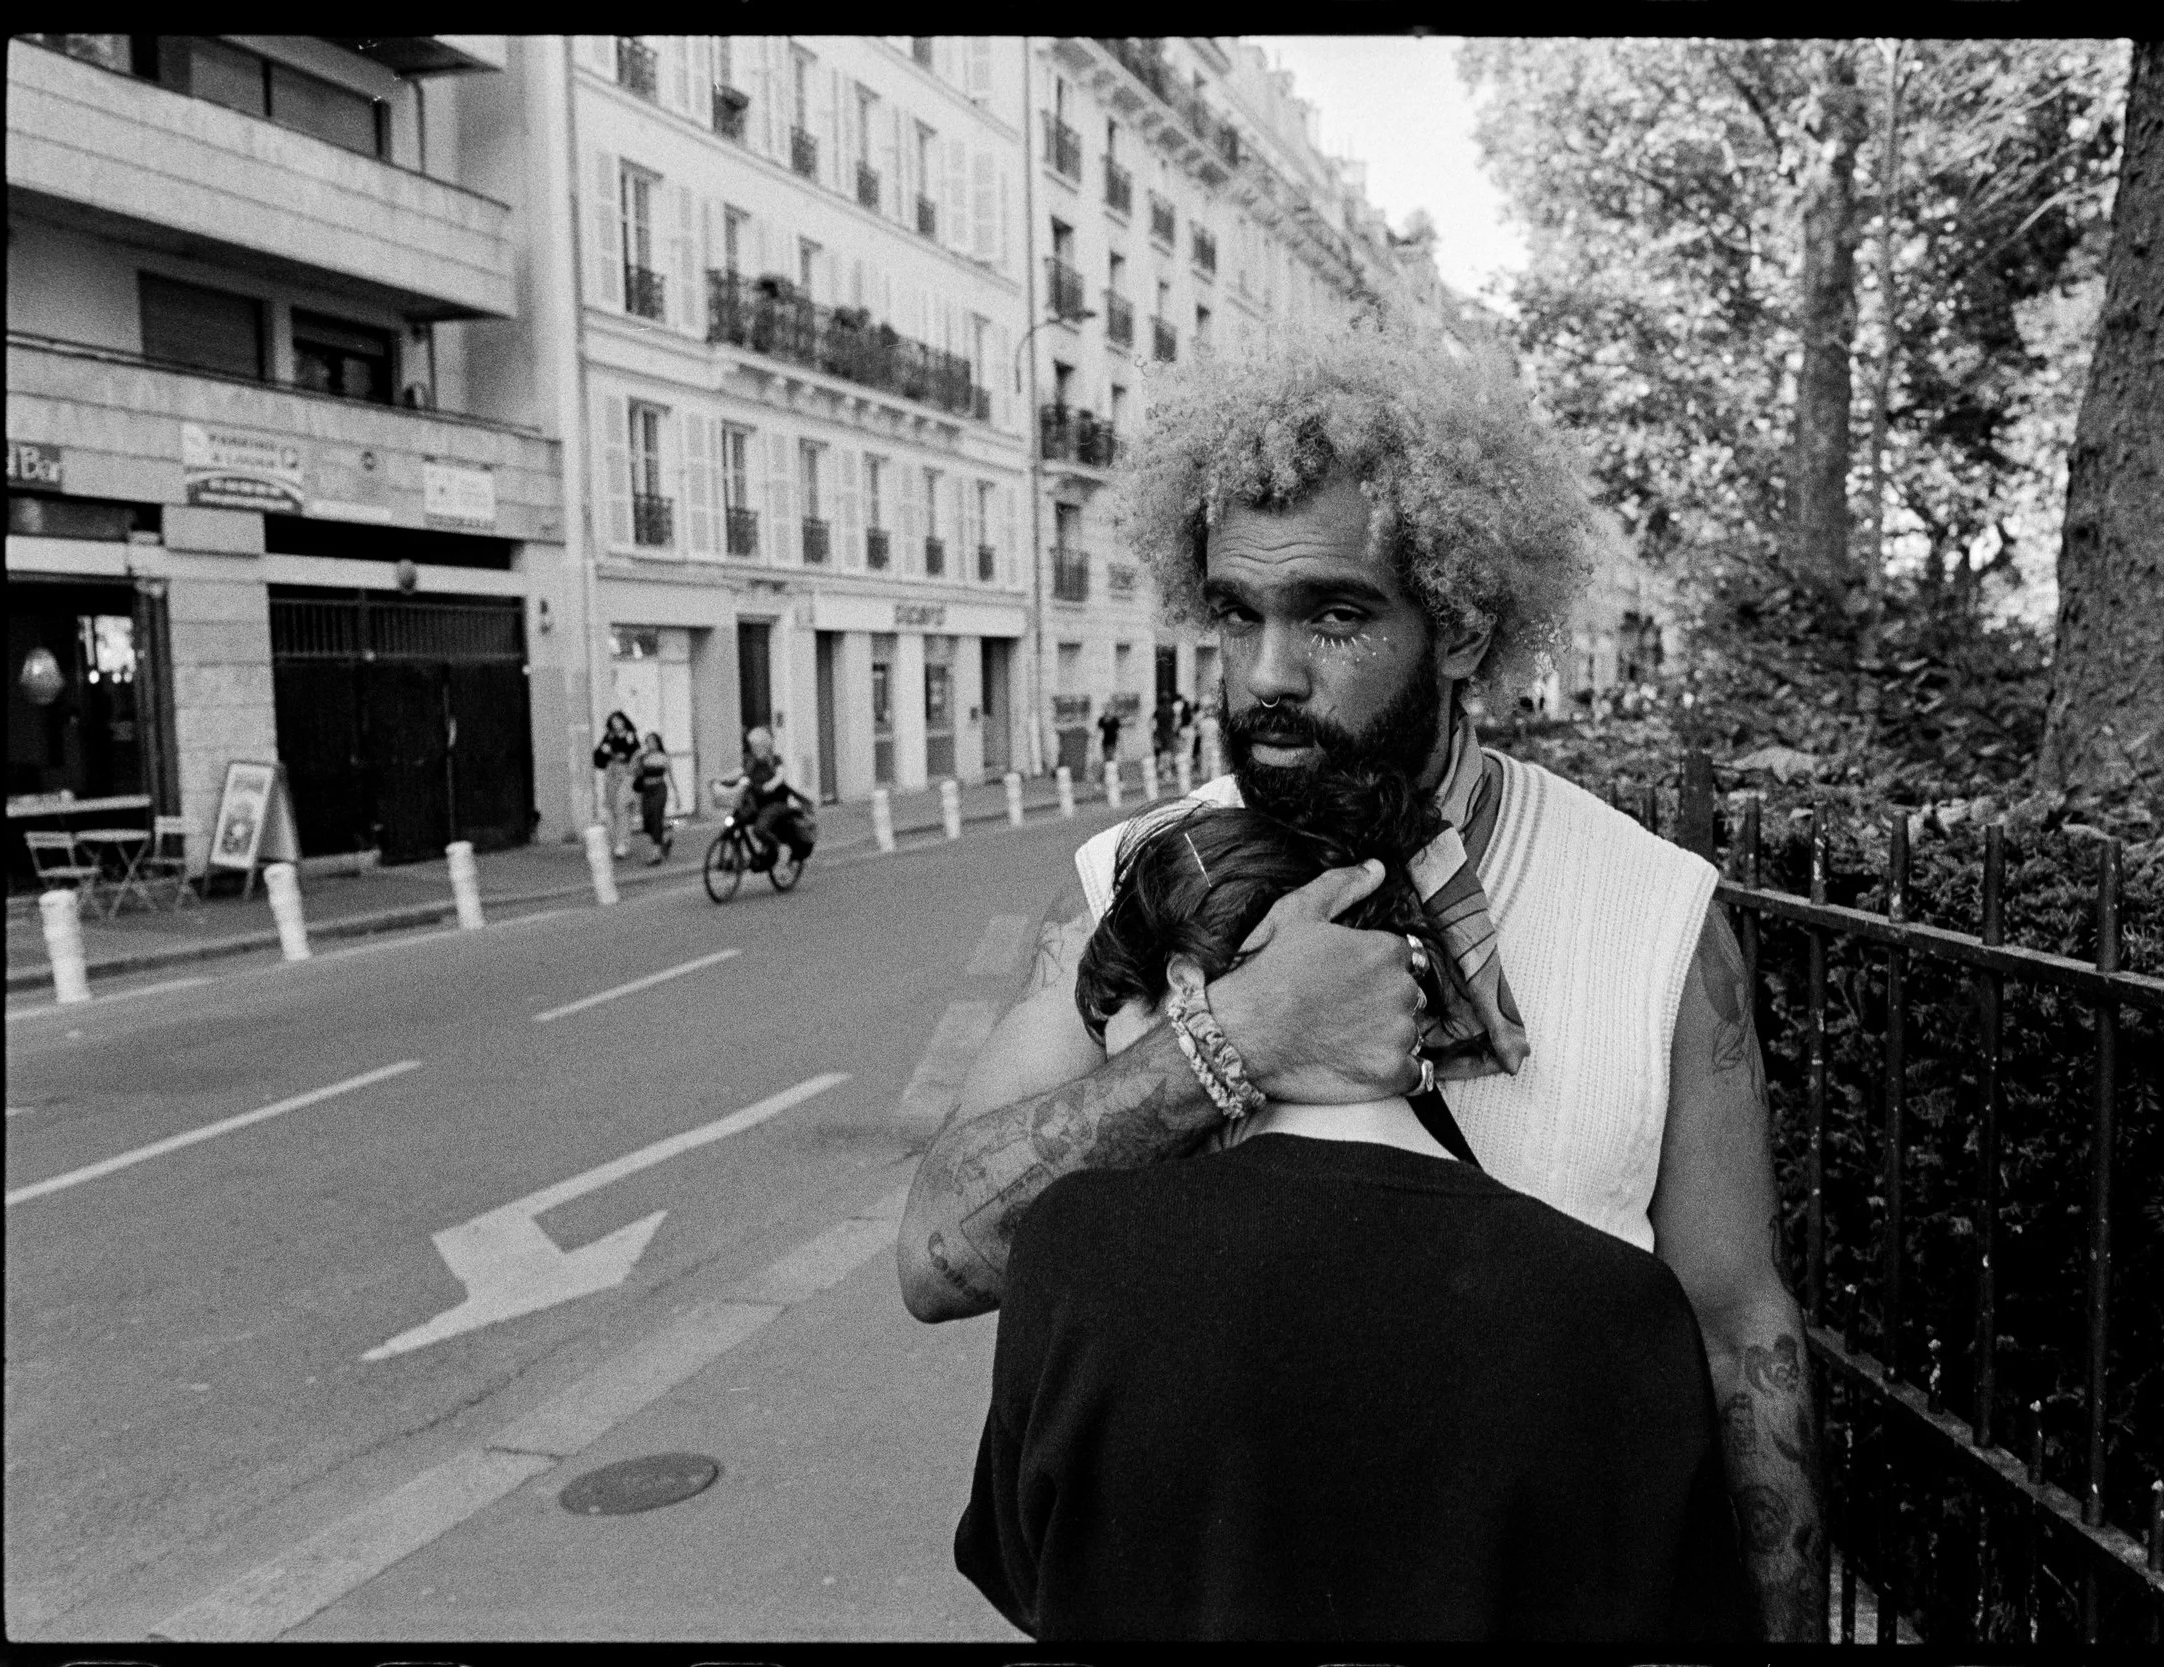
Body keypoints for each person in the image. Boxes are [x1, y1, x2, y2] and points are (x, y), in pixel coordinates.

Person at [899, 317, 1826, 1640]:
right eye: (1237, 612)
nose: (1271, 673)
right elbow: (937, 1250)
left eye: (1334, 612)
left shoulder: (1656, 917)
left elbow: (1742, 1334)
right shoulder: (1132, 883)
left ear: (1461, 625)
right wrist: (1234, 1040)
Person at [954, 784, 1753, 1641]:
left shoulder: (1079, 1249)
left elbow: (1035, 1574)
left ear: (1187, 990)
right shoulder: (1620, 1310)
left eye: (1119, 1021)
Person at [736, 726, 814, 870]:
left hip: (776, 803)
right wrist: (720, 780)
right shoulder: (751, 761)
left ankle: (780, 849)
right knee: (737, 820)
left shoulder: (774, 760)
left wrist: (771, 784)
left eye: (757, 745)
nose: (754, 748)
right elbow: (739, 773)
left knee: (759, 829)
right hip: (758, 803)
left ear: (765, 745)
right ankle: (746, 856)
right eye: (752, 745)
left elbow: (780, 775)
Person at [591, 712, 640, 858]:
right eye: (613, 721)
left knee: (622, 806)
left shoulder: (630, 736)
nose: (616, 723)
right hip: (611, 771)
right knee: (611, 807)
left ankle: (623, 844)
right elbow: (599, 755)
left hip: (625, 773)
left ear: (624, 721)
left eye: (618, 720)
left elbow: (634, 753)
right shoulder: (609, 736)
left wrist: (629, 764)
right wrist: (604, 752)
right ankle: (616, 842)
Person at [632, 731, 674, 864]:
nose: (650, 744)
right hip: (646, 790)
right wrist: (637, 757)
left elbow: (671, 776)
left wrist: (677, 795)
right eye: (648, 742)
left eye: (653, 741)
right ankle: (664, 840)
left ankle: (656, 854)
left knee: (656, 817)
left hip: (659, 789)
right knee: (647, 821)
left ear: (658, 743)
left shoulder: (663, 757)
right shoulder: (644, 757)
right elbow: (633, 771)